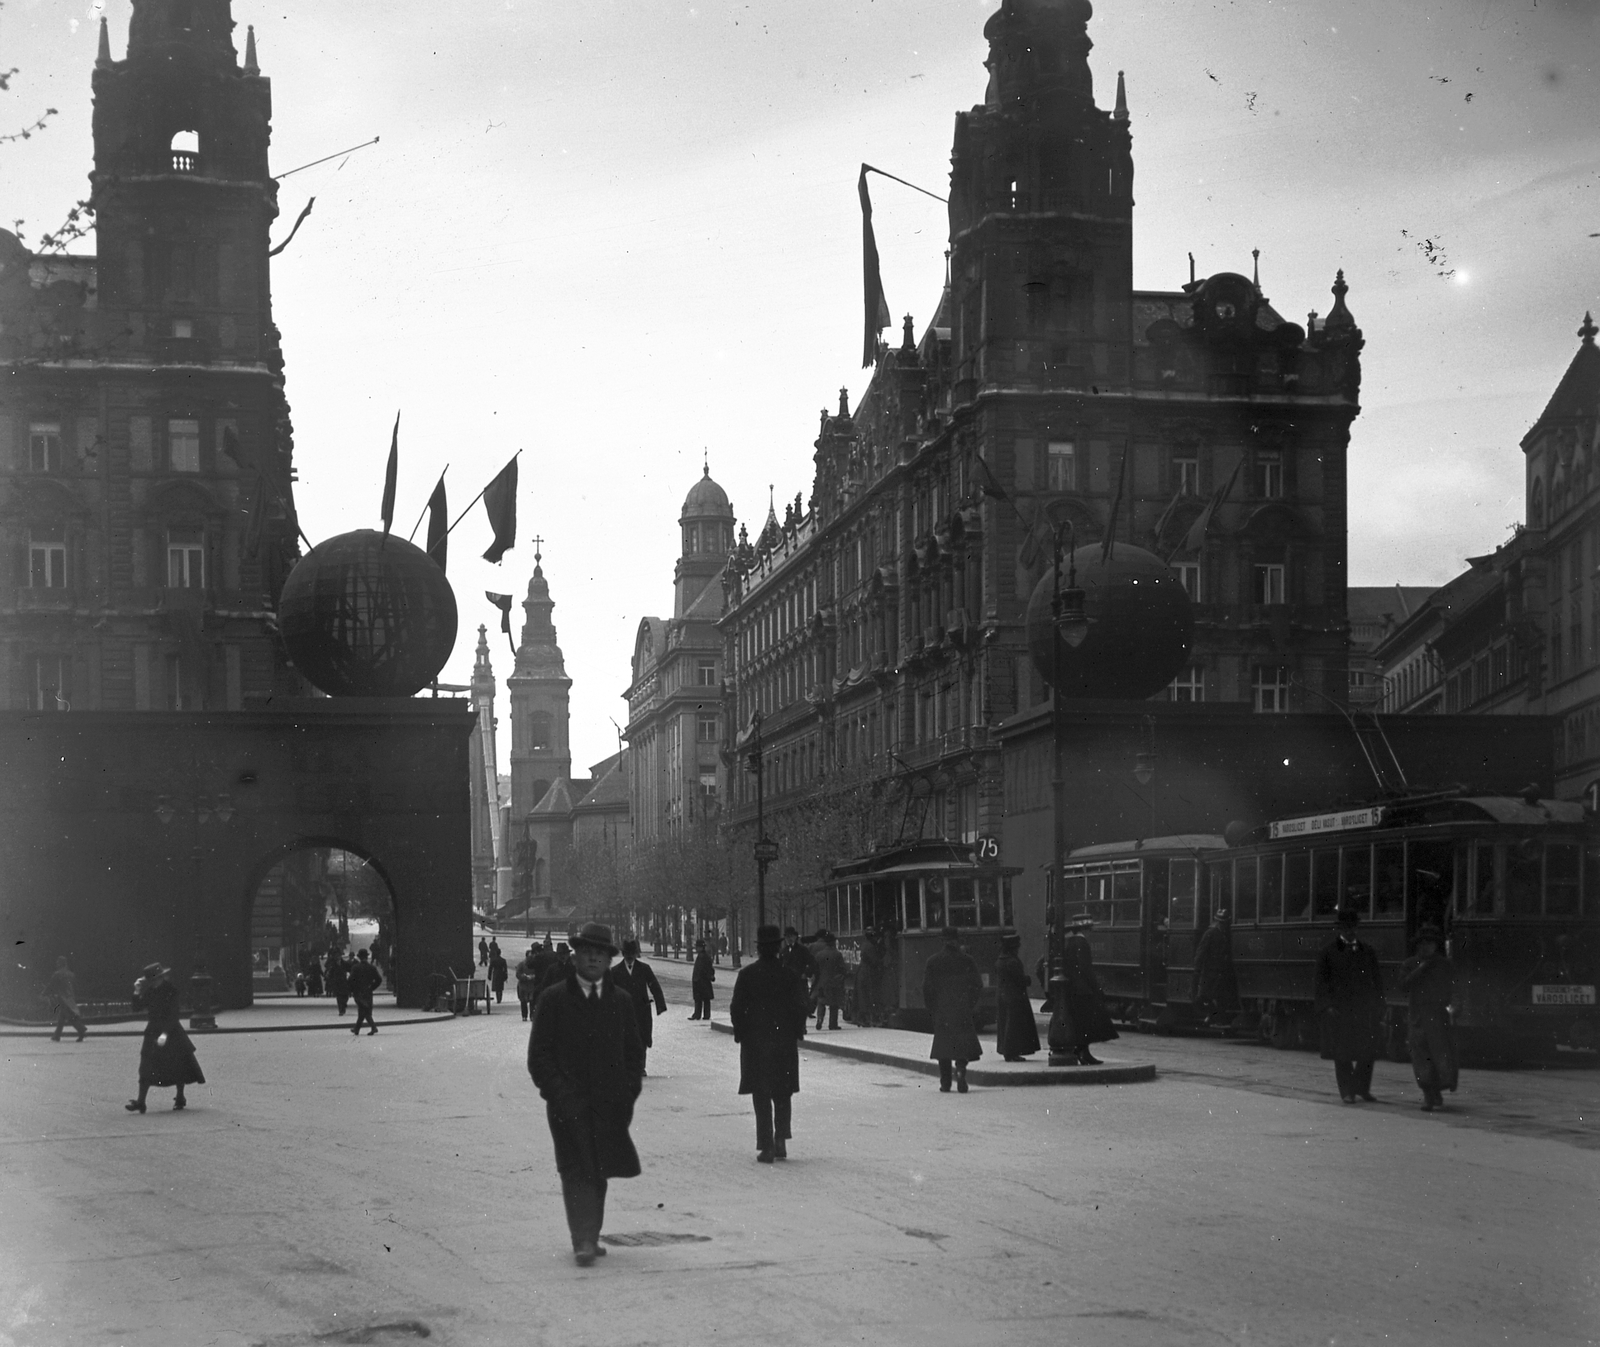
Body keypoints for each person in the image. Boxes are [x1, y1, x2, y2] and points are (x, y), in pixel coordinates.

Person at [527, 921, 644, 1266]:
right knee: (575, 1169)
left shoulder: (621, 1001)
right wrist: (559, 1094)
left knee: (600, 1169)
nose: (593, 958)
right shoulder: (553, 999)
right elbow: (539, 1057)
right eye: (587, 952)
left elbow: (634, 1055)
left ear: (609, 960)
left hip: (610, 1105)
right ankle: (582, 1239)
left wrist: (627, 1094)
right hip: (567, 1105)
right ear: (575, 957)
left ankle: (591, 1234)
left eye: (600, 954)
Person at [729, 924, 811, 1163]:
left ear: (759, 949)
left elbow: (736, 1008)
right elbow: (800, 1007)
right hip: (783, 1043)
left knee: (761, 1095)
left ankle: (766, 1146)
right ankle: (781, 1139)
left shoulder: (747, 975)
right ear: (778, 948)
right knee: (783, 1093)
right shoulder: (790, 975)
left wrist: (741, 1033)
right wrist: (796, 1032)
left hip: (756, 1044)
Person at [1315, 906, 1386, 1104]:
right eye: (1346, 927)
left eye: (1353, 927)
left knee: (1367, 1052)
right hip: (1340, 1010)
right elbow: (1321, 983)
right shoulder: (1329, 952)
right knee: (1342, 1053)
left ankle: (1362, 1089)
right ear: (1339, 929)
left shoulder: (1367, 951)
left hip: (1364, 1009)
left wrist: (1380, 1004)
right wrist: (1327, 1006)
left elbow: (1377, 980)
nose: (1350, 931)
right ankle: (1347, 1091)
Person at [125, 962, 204, 1113]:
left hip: (171, 1031)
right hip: (153, 1031)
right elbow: (137, 1008)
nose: (154, 982)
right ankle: (141, 1101)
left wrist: (165, 1033)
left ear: (161, 978)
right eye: (152, 980)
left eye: (156, 979)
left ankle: (180, 1097)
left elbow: (174, 1015)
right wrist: (136, 991)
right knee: (146, 1066)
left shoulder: (171, 991)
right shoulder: (150, 991)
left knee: (178, 1065)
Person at [1401, 924, 1456, 1112]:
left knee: (1440, 1055)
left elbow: (1453, 987)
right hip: (1418, 1015)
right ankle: (1427, 1094)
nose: (1426, 947)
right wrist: (1421, 969)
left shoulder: (1445, 965)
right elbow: (1403, 985)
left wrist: (1454, 1007)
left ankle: (1436, 1091)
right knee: (1420, 1055)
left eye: (1430, 943)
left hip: (1439, 1015)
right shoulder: (1410, 964)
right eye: (1422, 943)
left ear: (1436, 946)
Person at [923, 927, 983, 1092]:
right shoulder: (967, 960)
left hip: (942, 1009)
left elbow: (927, 988)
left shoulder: (933, 961)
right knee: (961, 1044)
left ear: (942, 941)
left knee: (944, 1046)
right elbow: (977, 985)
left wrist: (932, 1007)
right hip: (962, 1008)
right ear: (957, 940)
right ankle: (961, 1070)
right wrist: (969, 1003)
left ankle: (945, 1082)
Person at [1060, 915, 1117, 1065]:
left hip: (1074, 988)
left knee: (1080, 1023)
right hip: (1083, 989)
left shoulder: (1071, 942)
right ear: (1085, 929)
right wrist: (1096, 987)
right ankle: (1083, 1052)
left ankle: (1082, 1052)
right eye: (1090, 928)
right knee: (1087, 1023)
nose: (1091, 931)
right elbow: (1086, 968)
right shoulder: (1082, 943)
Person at [611, 939, 668, 1075]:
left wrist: (660, 1005)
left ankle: (640, 1067)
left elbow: (654, 986)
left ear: (636, 954)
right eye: (627, 954)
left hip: (641, 1010)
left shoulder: (644, 969)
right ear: (623, 954)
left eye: (632, 953)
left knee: (642, 1039)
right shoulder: (615, 971)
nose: (630, 956)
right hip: (623, 1011)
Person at [993, 932, 1040, 1061]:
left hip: (1003, 996)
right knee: (1014, 1026)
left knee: (1006, 1024)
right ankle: (1012, 1052)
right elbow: (1019, 980)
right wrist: (1028, 980)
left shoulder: (1000, 961)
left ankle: (1007, 1050)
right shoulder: (1012, 962)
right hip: (1015, 997)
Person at [1193, 908, 1239, 1025]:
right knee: (1202, 997)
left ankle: (1216, 1017)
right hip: (1210, 972)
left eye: (1225, 922)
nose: (1223, 924)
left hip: (1221, 972)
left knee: (1220, 997)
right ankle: (1212, 1014)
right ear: (1217, 922)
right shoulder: (1210, 933)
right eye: (1221, 922)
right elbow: (1201, 951)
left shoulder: (1225, 934)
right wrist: (1197, 968)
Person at [811, 931, 848, 1030]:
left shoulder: (819, 954)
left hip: (821, 982)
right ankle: (833, 1024)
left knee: (821, 1002)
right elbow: (842, 968)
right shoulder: (837, 954)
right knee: (834, 1004)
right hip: (833, 982)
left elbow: (815, 968)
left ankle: (819, 1019)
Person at [46, 955, 88, 1043]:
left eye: (58, 962)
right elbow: (75, 986)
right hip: (70, 997)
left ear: (60, 964)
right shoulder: (71, 974)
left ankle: (81, 1029)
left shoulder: (57, 974)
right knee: (63, 1017)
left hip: (62, 998)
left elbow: (50, 986)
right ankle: (57, 1036)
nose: (56, 964)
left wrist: (43, 993)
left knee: (69, 1016)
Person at [348, 947, 382, 1035]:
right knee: (365, 1010)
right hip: (368, 991)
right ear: (366, 957)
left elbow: (351, 980)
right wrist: (372, 987)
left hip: (358, 991)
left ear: (359, 957)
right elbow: (379, 979)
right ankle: (357, 1029)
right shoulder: (371, 967)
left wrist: (351, 989)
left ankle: (372, 1027)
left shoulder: (355, 967)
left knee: (363, 1010)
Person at [854, 929, 884, 1027]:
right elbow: (874, 960)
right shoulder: (870, 946)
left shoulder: (866, 944)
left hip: (863, 971)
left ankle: (862, 1019)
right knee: (868, 996)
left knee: (863, 996)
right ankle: (866, 1019)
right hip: (867, 973)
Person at [689, 940, 716, 1020]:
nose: (696, 949)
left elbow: (703, 969)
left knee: (699, 999)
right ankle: (705, 1015)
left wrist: (697, 979)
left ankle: (698, 1014)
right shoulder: (704, 956)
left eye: (697, 947)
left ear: (701, 948)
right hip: (703, 981)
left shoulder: (702, 957)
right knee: (705, 999)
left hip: (700, 981)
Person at [516, 947, 542, 1022]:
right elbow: (518, 974)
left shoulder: (535, 964)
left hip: (532, 985)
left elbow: (538, 973)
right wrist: (525, 977)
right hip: (523, 985)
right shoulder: (521, 964)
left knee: (532, 1001)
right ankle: (524, 1015)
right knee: (523, 1001)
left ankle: (532, 1015)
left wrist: (534, 976)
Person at [327, 950, 350, 1016]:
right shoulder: (333, 965)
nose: (337, 957)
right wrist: (330, 980)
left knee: (345, 996)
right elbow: (331, 973)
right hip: (337, 982)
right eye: (336, 956)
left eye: (338, 956)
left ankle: (344, 1004)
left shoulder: (345, 963)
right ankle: (341, 1010)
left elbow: (350, 970)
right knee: (339, 997)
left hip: (344, 982)